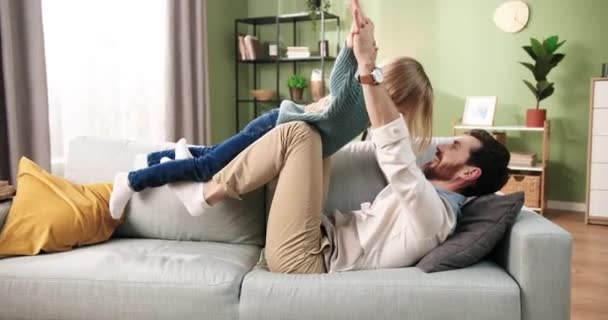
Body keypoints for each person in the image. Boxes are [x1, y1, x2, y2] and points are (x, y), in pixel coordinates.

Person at [126, 4, 510, 274]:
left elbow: (396, 158)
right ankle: (203, 176)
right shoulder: (428, 194)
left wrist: (368, 67)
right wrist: (355, 48)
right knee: (315, 135)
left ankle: (206, 194)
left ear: (468, 174)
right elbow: (385, 141)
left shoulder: (436, 215)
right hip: (313, 235)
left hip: (306, 259)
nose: (442, 145)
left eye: (454, 148)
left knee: (297, 132)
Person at [109, 5, 434, 219]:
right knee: (207, 167)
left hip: (280, 128)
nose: (398, 117)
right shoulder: (360, 97)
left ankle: (157, 158)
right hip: (274, 127)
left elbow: (390, 145)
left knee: (212, 154)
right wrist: (351, 46)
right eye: (403, 108)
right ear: (394, 92)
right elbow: (339, 78)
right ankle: (132, 180)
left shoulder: (371, 117)